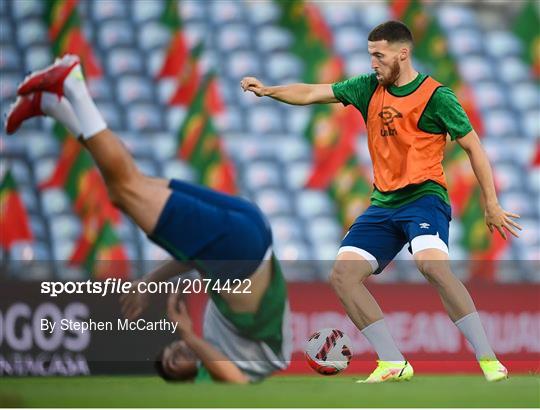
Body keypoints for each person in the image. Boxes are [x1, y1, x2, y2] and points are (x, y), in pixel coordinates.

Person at [241, 20, 521, 383]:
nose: (373, 63)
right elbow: (311, 92)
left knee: (432, 266)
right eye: (370, 55)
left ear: (402, 54)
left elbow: (474, 148)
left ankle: (488, 360)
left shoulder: (437, 96)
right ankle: (393, 362)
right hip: (383, 204)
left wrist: (491, 203)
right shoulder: (366, 88)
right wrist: (268, 90)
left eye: (379, 55)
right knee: (342, 276)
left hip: (424, 197)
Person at [6, 54, 291, 384]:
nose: (176, 356)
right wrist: (188, 333)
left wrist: (150, 281)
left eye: (168, 359)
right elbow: (235, 380)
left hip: (249, 233)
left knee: (128, 185)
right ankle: (73, 85)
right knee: (126, 191)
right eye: (176, 364)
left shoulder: (216, 333)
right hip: (243, 252)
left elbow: (200, 259)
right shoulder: (240, 369)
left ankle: (54, 107)